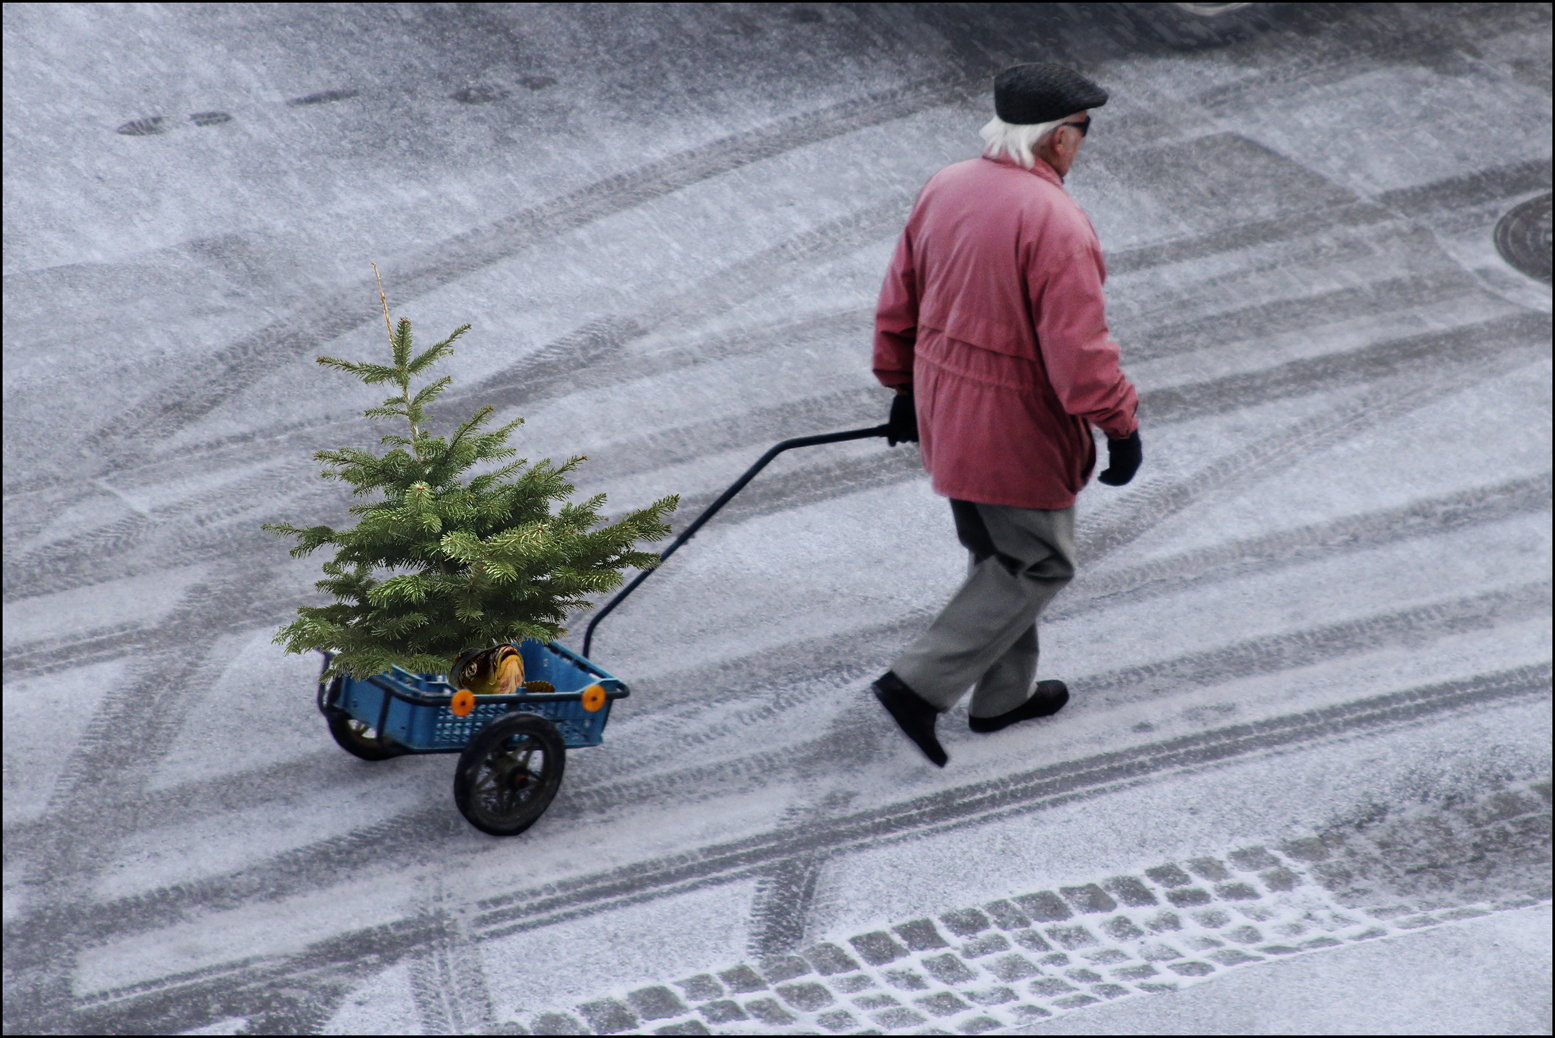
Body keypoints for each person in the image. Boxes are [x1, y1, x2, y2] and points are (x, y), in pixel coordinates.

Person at [870, 62, 1142, 768]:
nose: (1083, 144)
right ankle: (916, 686)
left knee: (998, 555)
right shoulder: (1054, 221)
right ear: (1057, 139)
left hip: (945, 411)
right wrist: (1120, 425)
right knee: (1037, 561)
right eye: (1083, 131)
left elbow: (900, 297)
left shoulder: (947, 185)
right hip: (1013, 427)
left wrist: (904, 387)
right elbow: (1079, 356)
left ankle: (1002, 698)